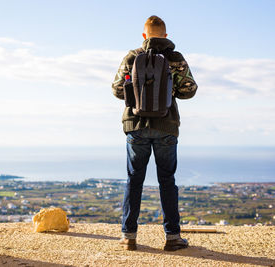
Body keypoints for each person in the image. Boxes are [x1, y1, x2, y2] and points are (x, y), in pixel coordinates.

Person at [111, 15, 198, 251]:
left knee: (134, 180)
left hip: (136, 126)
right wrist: (170, 91)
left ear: (144, 35)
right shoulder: (175, 58)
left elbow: (117, 90)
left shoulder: (132, 56)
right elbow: (190, 90)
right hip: (166, 126)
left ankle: (129, 236)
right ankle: (172, 237)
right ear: (166, 36)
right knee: (167, 181)